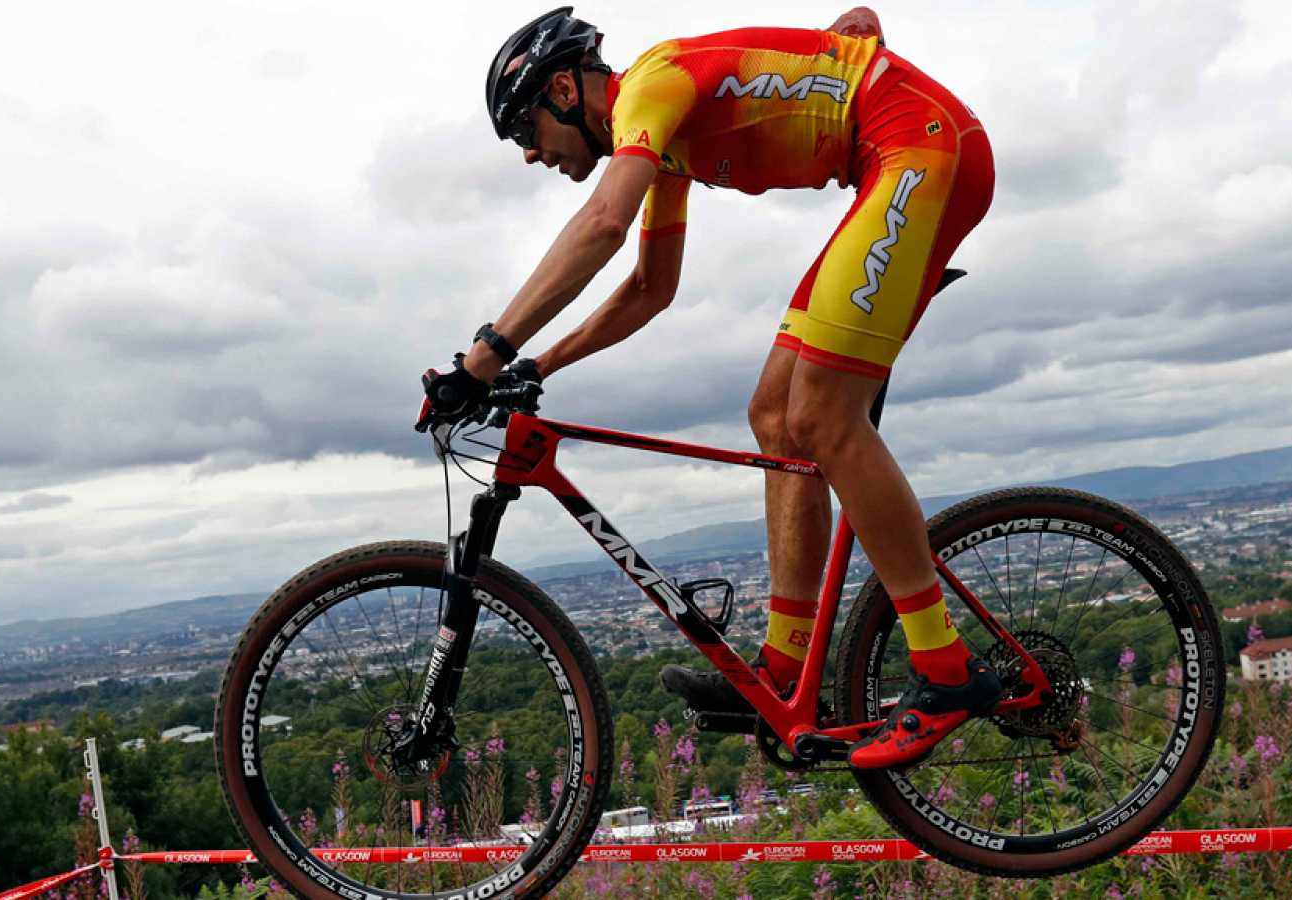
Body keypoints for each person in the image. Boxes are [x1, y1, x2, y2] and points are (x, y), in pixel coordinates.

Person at [422, 6, 1000, 768]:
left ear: (563, 89)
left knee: (823, 416)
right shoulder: (660, 144)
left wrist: (484, 357)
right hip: (896, 159)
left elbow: (603, 224)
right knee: (776, 416)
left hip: (920, 148)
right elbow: (649, 289)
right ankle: (783, 667)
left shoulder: (651, 86)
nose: (531, 155)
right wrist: (538, 365)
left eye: (527, 131)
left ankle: (946, 669)